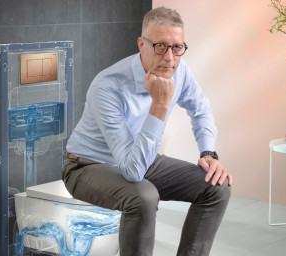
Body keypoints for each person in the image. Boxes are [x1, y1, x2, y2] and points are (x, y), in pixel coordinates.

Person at [61, 6, 233, 256]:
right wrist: (160, 105)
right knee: (144, 196)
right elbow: (132, 171)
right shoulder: (107, 86)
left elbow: (201, 108)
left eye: (177, 47)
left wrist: (208, 152)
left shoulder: (179, 70)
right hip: (86, 166)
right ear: (142, 44)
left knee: (216, 186)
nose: (170, 58)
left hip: (142, 159)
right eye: (160, 46)